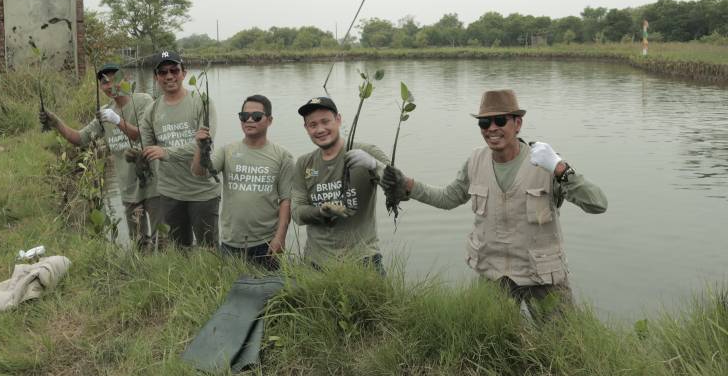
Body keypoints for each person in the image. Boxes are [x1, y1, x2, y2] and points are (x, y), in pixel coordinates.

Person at [383, 89, 607, 304]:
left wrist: (560, 168)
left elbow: (598, 204)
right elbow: (448, 198)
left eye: (500, 121)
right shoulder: (475, 161)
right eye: (484, 122)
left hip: (542, 278)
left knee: (561, 340)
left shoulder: (545, 162)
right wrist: (407, 185)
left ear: (517, 124)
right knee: (491, 341)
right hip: (494, 277)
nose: (491, 128)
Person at [39, 63, 159, 248]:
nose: (110, 85)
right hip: (129, 189)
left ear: (126, 78)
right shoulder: (106, 112)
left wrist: (116, 119)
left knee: (165, 239)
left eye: (115, 79)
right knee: (140, 243)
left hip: (154, 186)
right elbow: (80, 138)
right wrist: (55, 121)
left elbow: (142, 134)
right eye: (104, 82)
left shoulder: (143, 101)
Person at [192, 94, 294, 270]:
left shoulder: (282, 156)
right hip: (232, 241)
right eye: (244, 116)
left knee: (270, 292)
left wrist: (280, 237)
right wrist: (200, 147)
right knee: (232, 291)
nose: (249, 120)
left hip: (266, 242)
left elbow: (286, 200)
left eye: (256, 116)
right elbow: (199, 172)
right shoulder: (227, 151)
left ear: (269, 120)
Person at [291, 96, 389, 271]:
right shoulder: (304, 163)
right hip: (315, 262)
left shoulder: (366, 152)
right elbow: (297, 213)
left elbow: (399, 188)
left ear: (338, 119)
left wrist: (375, 166)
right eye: (313, 125)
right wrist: (321, 211)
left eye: (325, 121)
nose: (320, 129)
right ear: (306, 128)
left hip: (363, 259)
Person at [139, 50, 220, 248]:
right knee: (179, 250)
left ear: (184, 72)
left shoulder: (202, 101)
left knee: (209, 250)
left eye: (174, 70)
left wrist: (166, 152)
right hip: (170, 193)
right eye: (163, 72)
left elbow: (203, 143)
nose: (169, 76)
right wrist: (141, 158)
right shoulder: (152, 110)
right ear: (156, 77)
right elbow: (148, 147)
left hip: (202, 192)